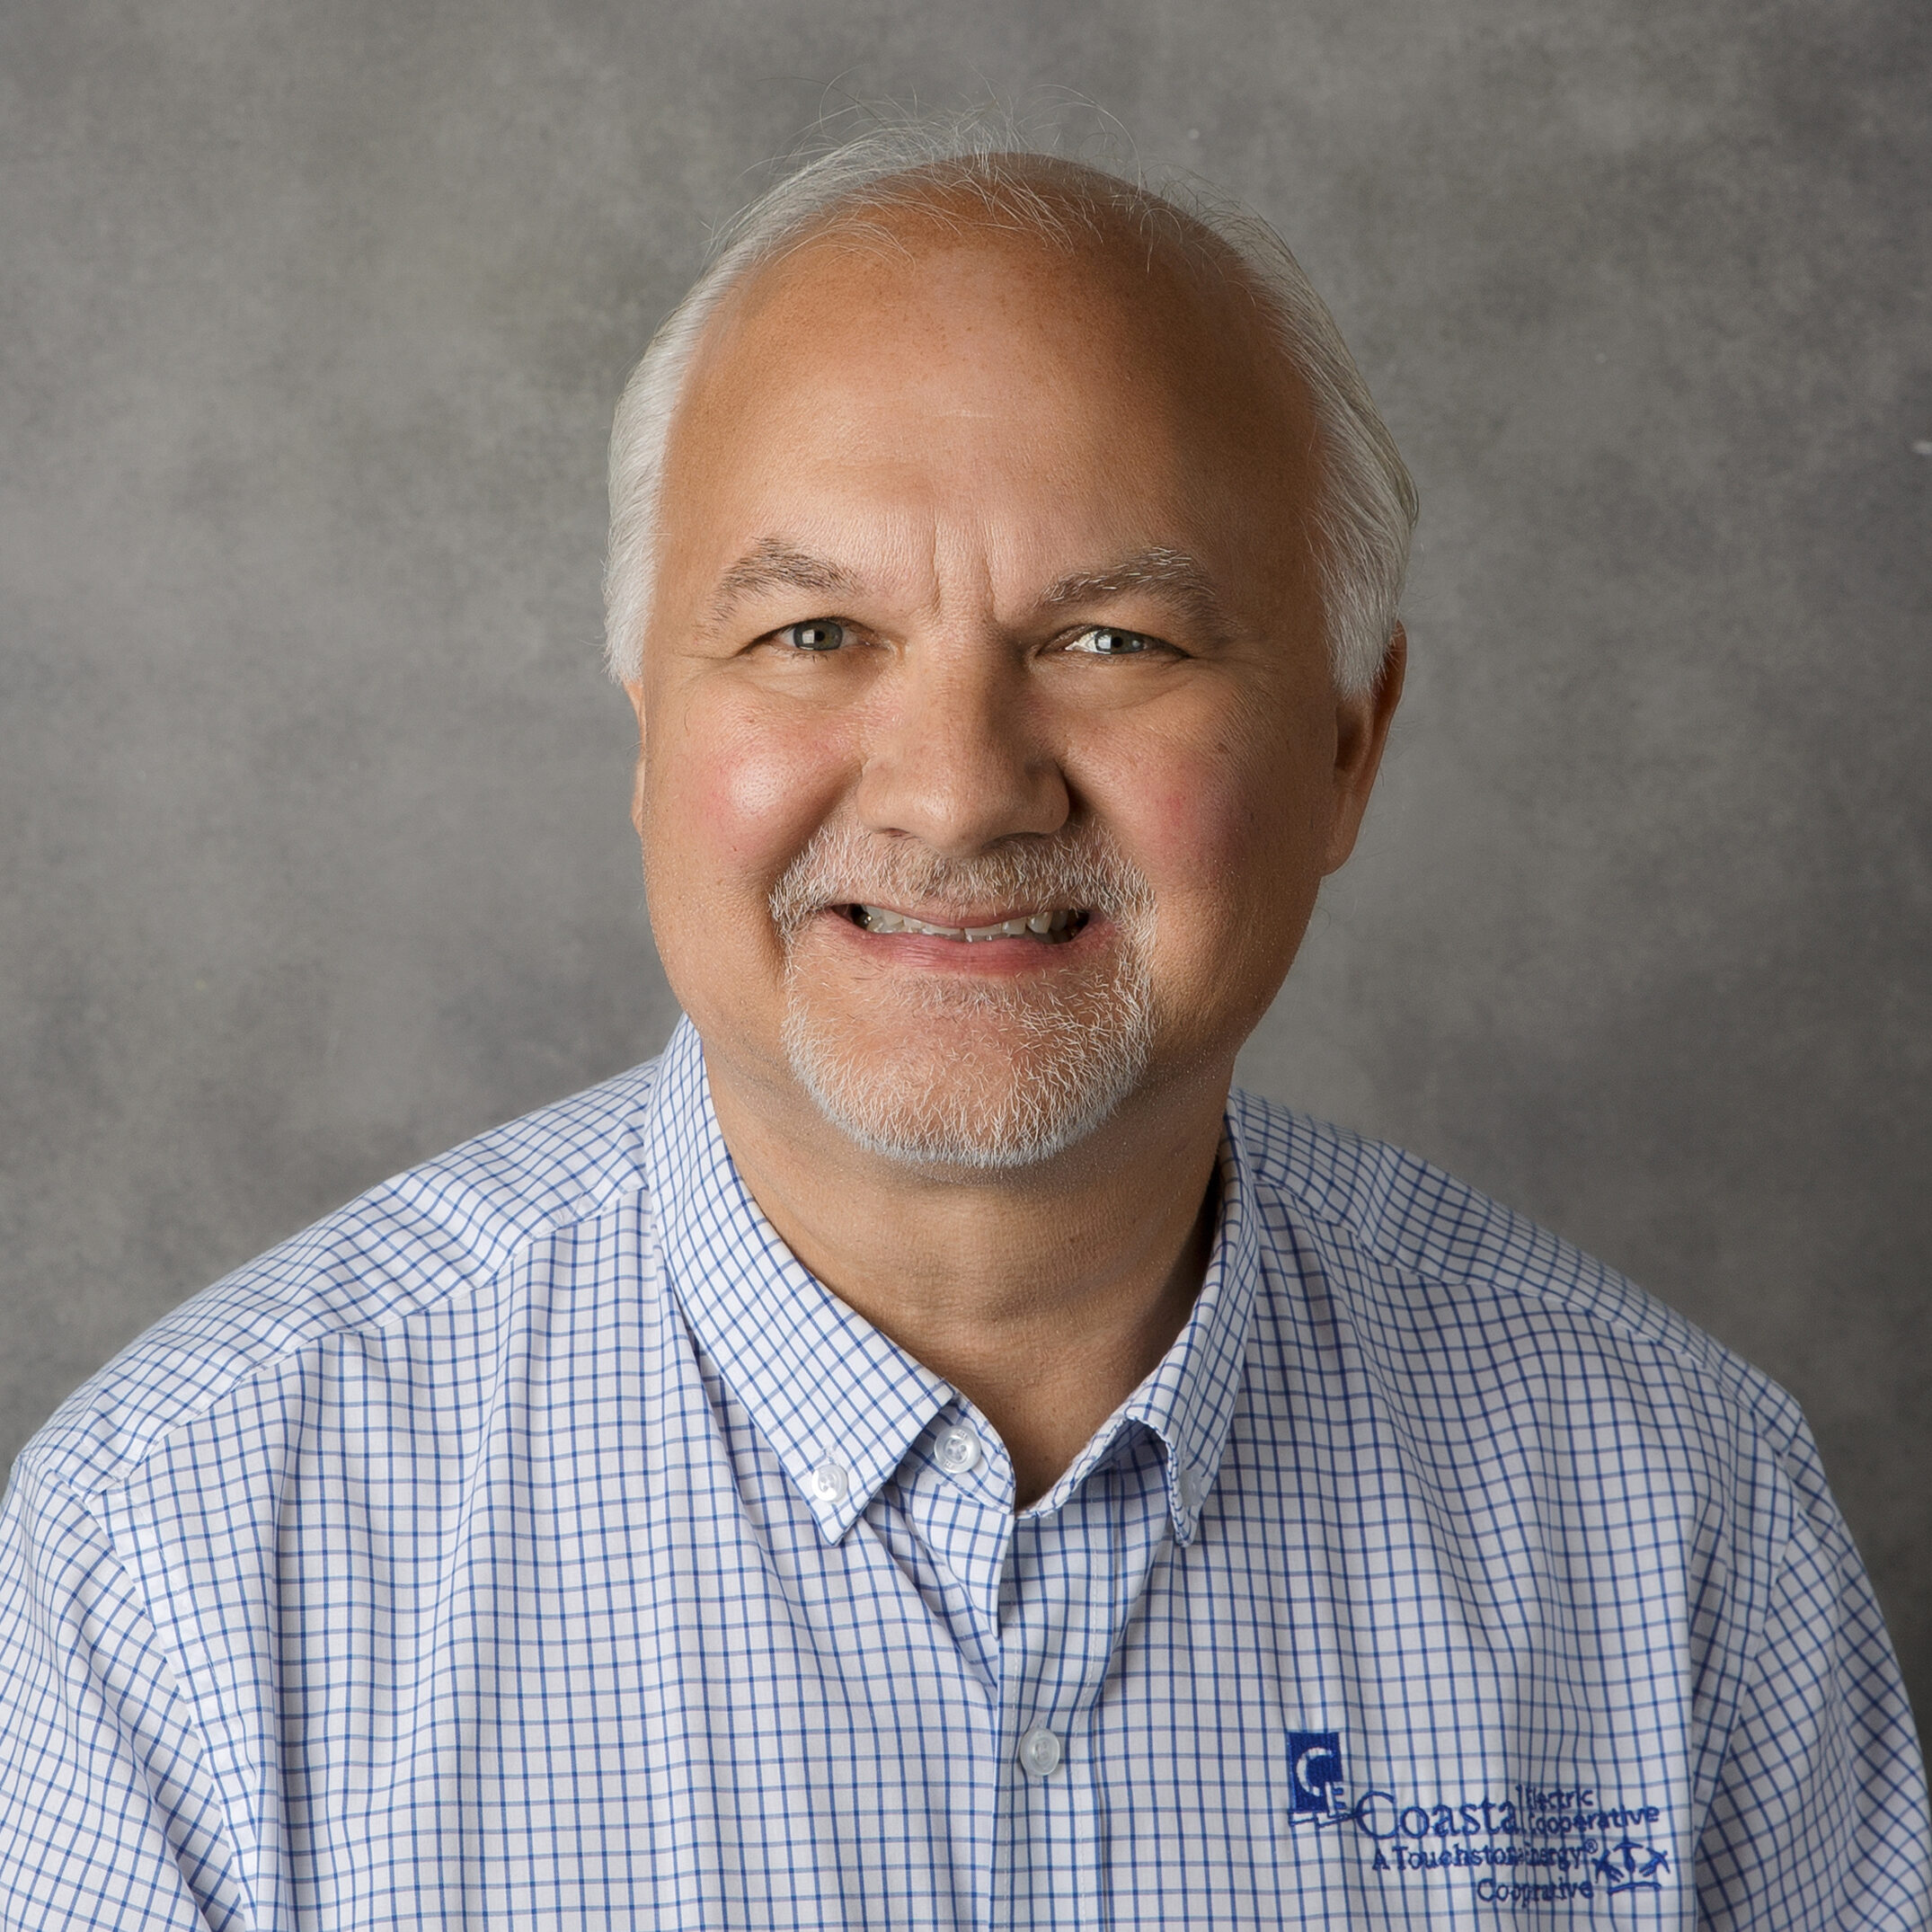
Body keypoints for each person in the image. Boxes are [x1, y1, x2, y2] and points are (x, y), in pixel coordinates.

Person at [2, 119, 1927, 1930]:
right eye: (811, 634)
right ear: (651, 727)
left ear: (1348, 744)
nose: (954, 791)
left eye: (1112, 640)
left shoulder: (1675, 1513)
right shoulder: (180, 1549)